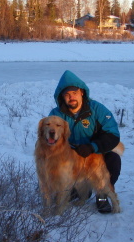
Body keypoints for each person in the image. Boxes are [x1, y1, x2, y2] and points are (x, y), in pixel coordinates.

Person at [49, 70, 122, 213]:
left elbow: (112, 134)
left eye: (74, 93)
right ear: (62, 97)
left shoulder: (97, 109)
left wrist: (92, 147)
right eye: (67, 94)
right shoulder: (56, 114)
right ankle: (79, 189)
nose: (71, 97)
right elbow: (49, 139)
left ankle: (101, 195)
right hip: (69, 157)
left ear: (82, 92)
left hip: (95, 153)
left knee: (113, 160)